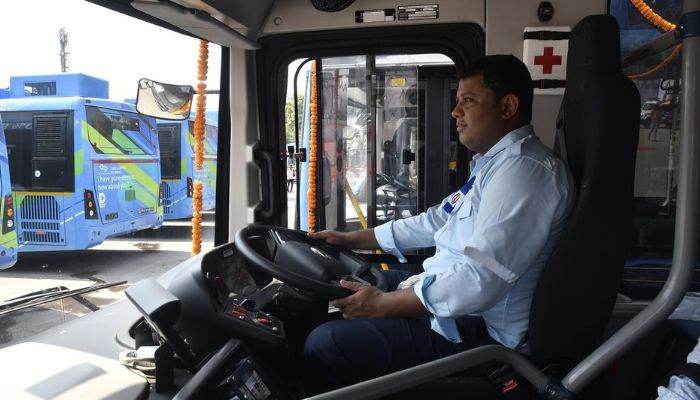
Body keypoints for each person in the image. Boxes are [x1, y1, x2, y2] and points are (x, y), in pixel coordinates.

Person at [302, 54, 575, 394]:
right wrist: (351, 240)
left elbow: (480, 280)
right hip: (453, 295)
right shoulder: (496, 165)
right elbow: (437, 220)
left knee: (326, 343)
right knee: (342, 285)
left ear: (507, 107)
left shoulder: (524, 173)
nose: (455, 112)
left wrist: (382, 305)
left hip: (482, 334)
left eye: (468, 101)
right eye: (457, 101)